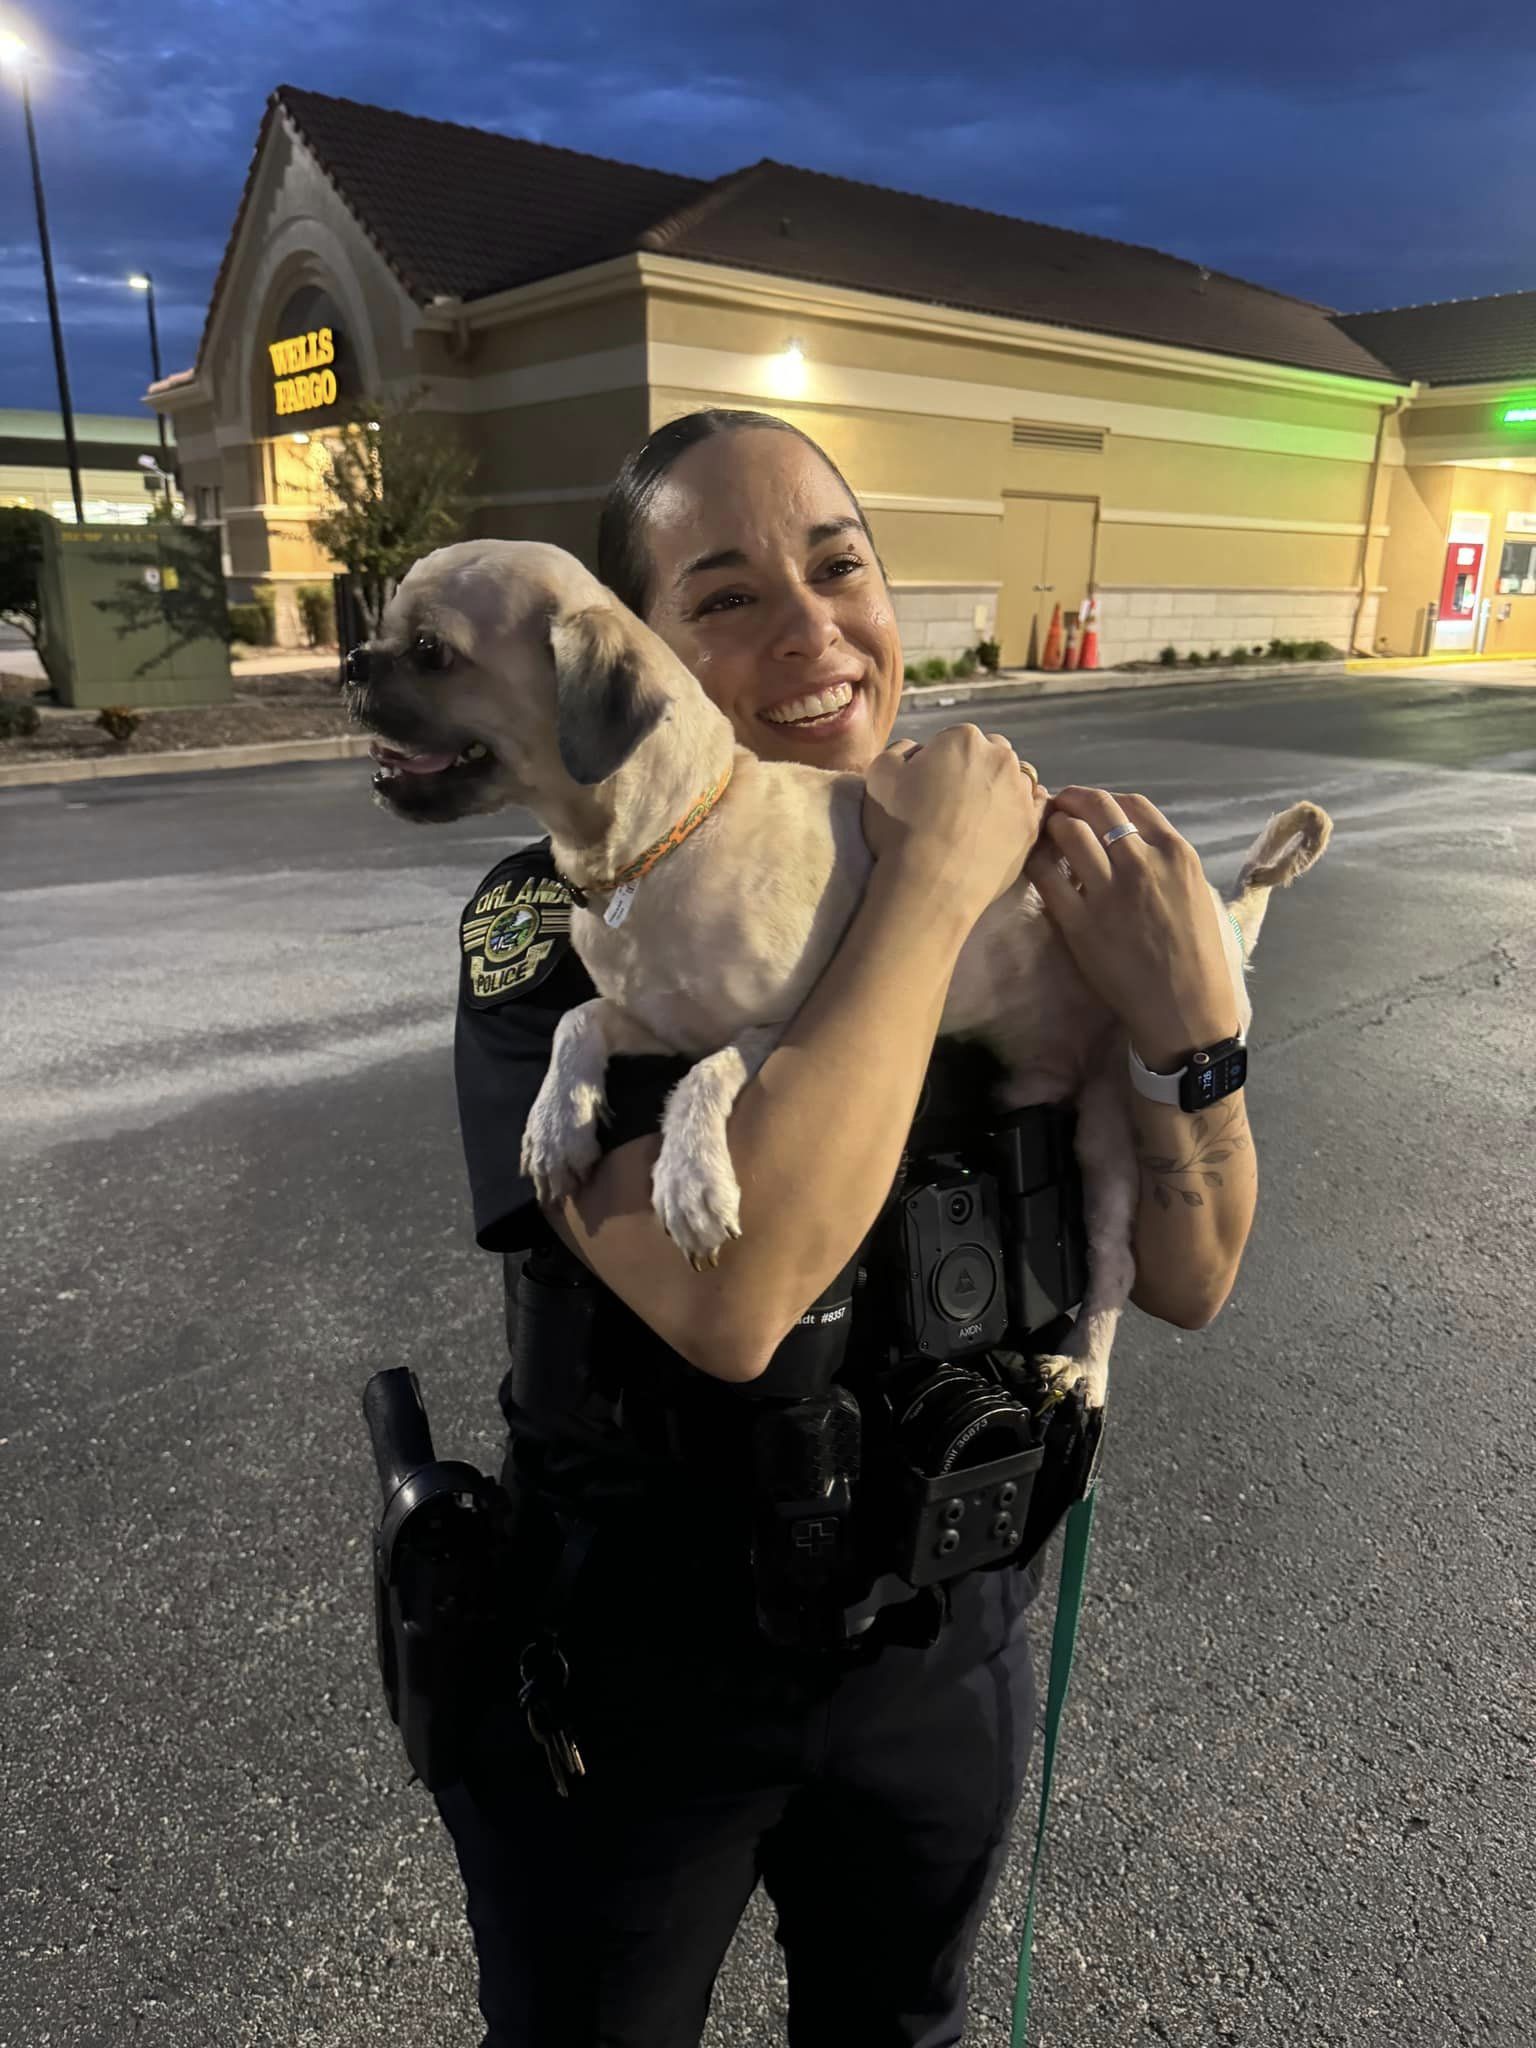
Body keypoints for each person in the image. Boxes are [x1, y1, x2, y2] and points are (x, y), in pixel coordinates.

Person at [440, 409, 1258, 2047]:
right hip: (639, 1678)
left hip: (944, 1644)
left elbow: (1194, 1275)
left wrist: (1192, 1033)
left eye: (840, 566)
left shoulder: (1030, 893)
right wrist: (929, 887)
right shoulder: (565, 926)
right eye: (726, 597)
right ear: (640, 667)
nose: (814, 634)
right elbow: (736, 1298)